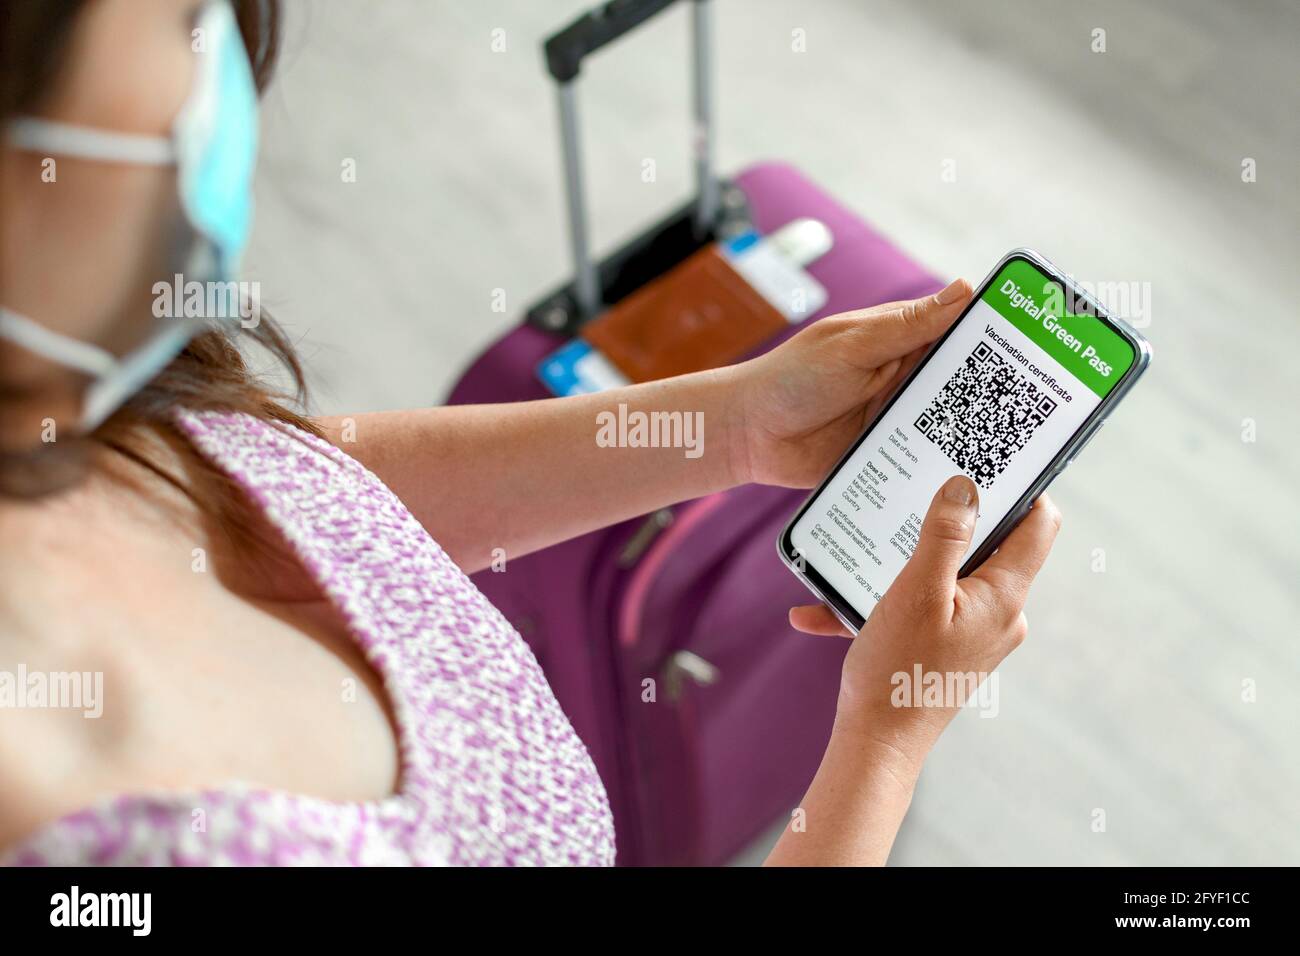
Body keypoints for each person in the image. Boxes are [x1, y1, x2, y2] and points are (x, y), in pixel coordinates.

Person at [0, 0, 1060, 866]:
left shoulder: (83, 399)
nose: (216, 67)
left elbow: (286, 503)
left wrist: (733, 424)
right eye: (181, 19)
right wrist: (882, 737)